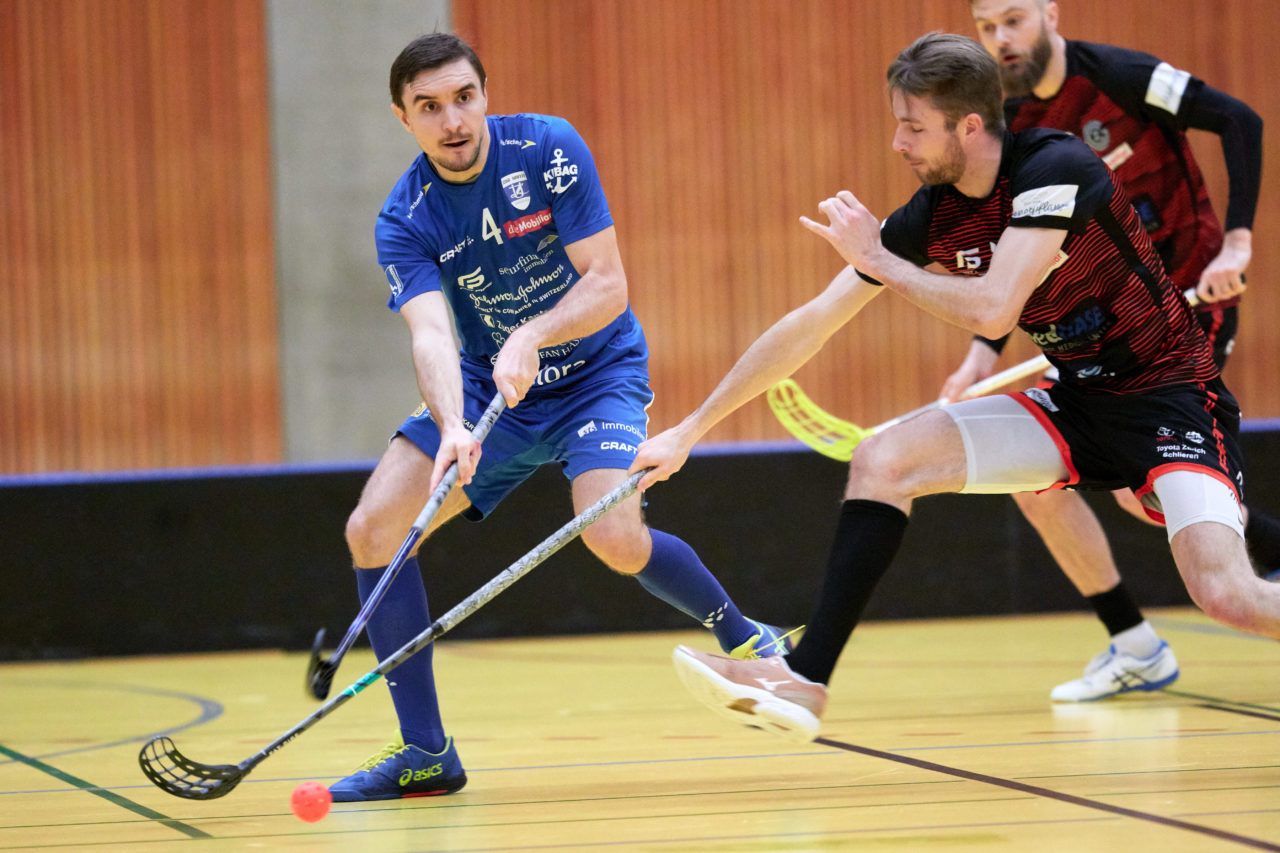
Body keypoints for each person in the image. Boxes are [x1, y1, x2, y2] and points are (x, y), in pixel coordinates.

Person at [631, 31, 1280, 744]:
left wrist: (879, 257)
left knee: (1227, 594)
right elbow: (812, 322)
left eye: (913, 126)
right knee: (883, 460)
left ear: (969, 126)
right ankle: (805, 677)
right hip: (1077, 401)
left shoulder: (1057, 167)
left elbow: (995, 307)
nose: (898, 143)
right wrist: (689, 427)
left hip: (1167, 393)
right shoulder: (935, 212)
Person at [329, 32, 793, 802]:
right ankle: (425, 751)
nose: (453, 121)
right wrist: (450, 422)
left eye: (463, 98)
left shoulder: (548, 149)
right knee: (374, 528)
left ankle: (744, 632)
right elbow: (431, 332)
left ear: (485, 92)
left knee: (611, 533)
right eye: (429, 107)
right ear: (401, 118)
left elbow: (607, 284)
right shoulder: (404, 218)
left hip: (595, 372)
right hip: (487, 391)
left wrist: (531, 333)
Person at [933, 0, 1276, 703]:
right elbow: (1018, 260)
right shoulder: (1006, 129)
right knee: (1043, 482)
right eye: (985, 27)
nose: (1000, 40)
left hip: (1185, 310)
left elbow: (1241, 120)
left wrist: (1237, 238)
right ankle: (1134, 642)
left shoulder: (1124, 78)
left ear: (1050, 14)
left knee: (1142, 482)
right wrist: (981, 351)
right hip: (1100, 332)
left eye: (1013, 21)